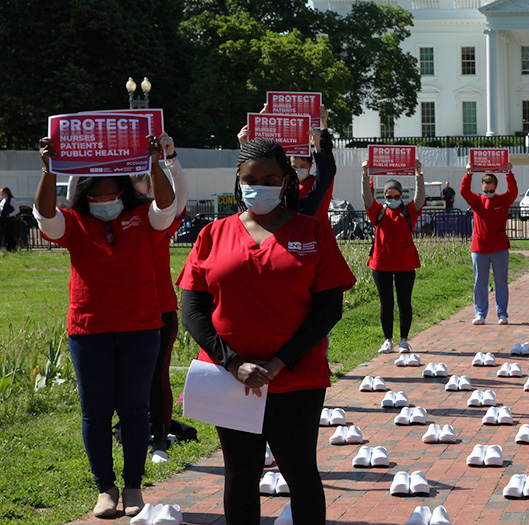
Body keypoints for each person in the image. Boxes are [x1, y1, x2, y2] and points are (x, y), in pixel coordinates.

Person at [179, 138, 356, 525]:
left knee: (300, 473)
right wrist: (234, 364)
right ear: (238, 180)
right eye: (250, 178)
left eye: (270, 177)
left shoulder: (313, 232)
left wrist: (279, 362)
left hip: (296, 379)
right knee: (241, 474)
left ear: (287, 180)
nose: (259, 185)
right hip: (231, 381)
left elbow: (329, 308)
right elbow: (192, 310)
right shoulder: (213, 235)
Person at [34, 135, 177, 519]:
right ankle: (105, 489)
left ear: (125, 193)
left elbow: (166, 206)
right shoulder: (74, 223)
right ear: (83, 197)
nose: (104, 203)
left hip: (141, 329)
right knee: (94, 413)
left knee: (134, 410)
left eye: (111, 195)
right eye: (95, 198)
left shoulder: (143, 218)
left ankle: (133, 487)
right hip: (89, 331)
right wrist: (49, 169)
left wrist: (154, 161)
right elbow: (45, 216)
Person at [134, 134, 190, 464]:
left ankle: (159, 436)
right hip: (123, 313)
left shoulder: (158, 220)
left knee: (157, 375)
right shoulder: (110, 218)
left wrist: (170, 157)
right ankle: (134, 430)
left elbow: (180, 196)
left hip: (160, 310)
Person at [361, 160, 426, 353]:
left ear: (401, 195)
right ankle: (388, 340)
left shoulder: (408, 212)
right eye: (389, 196)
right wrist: (366, 174)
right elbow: (366, 196)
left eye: (396, 196)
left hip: (405, 265)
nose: (392, 199)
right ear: (384, 196)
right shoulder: (378, 212)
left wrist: (418, 174)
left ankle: (404, 340)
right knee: (386, 303)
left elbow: (420, 197)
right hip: (381, 265)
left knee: (404, 303)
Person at [461, 162, 518, 325]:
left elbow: (513, 192)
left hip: (499, 247)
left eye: (491, 190)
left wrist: (509, 173)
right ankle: (480, 313)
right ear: (482, 188)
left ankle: (502, 314)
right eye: (486, 190)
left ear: (496, 187)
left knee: (501, 282)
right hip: (480, 248)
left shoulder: (502, 200)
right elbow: (464, 191)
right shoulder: (477, 200)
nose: (489, 193)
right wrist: (469, 174)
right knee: (480, 282)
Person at [0, 187, 18, 252]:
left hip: (10, 220)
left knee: (10, 234)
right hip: (3, 219)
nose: (1, 194)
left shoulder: (12, 200)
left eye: (2, 192)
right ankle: (7, 247)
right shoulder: (3, 200)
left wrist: (9, 215)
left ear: (6, 192)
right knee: (5, 234)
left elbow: (17, 210)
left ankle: (12, 248)